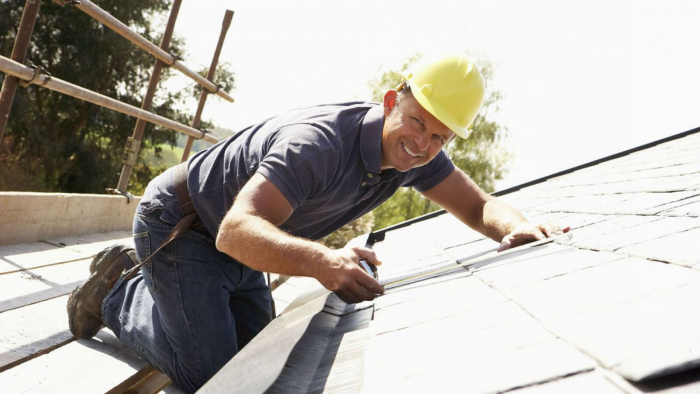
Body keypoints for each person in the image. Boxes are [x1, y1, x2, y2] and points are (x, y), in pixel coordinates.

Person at [67, 53, 568, 393]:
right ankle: (115, 290)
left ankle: (157, 294)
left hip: (244, 245)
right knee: (215, 378)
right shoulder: (319, 145)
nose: (423, 146)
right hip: (184, 226)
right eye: (417, 123)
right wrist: (323, 261)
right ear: (394, 101)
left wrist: (517, 228)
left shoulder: (415, 155)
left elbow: (479, 207)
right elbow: (236, 230)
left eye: (440, 137)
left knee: (258, 363)